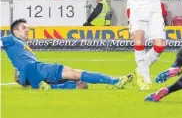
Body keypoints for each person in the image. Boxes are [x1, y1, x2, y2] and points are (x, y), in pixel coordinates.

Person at [1, 19, 133, 90]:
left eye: (27, 27)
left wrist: (22, 80)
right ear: (15, 32)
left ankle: (48, 87)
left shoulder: (20, 47)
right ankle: (115, 81)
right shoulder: (11, 39)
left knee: (81, 84)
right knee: (75, 73)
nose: (27, 30)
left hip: (31, 76)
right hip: (36, 69)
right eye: (24, 28)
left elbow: (17, 72)